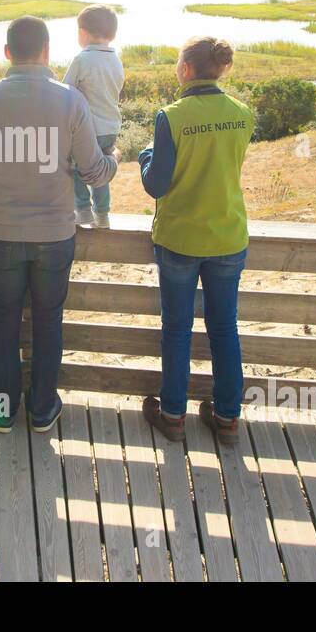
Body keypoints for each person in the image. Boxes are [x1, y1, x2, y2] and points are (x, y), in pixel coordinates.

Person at [0, 16, 119, 433]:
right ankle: (41, 411)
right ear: (47, 51)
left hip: (0, 229)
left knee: (3, 321)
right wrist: (115, 162)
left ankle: (2, 410)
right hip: (54, 233)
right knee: (48, 320)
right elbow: (93, 172)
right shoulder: (70, 100)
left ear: (7, 53)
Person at [137, 36, 253, 446]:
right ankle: (227, 418)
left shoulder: (172, 116)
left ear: (186, 68)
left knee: (177, 330)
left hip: (181, 239)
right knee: (224, 329)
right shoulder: (242, 114)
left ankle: (172, 415)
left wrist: (145, 154)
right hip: (227, 235)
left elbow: (156, 184)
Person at [63, 4, 124, 229]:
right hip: (110, 127)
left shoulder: (82, 59)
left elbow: (66, 91)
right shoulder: (116, 60)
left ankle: (83, 210)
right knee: (100, 172)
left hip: (87, 129)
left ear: (82, 33)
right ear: (113, 34)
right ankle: (103, 215)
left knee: (72, 165)